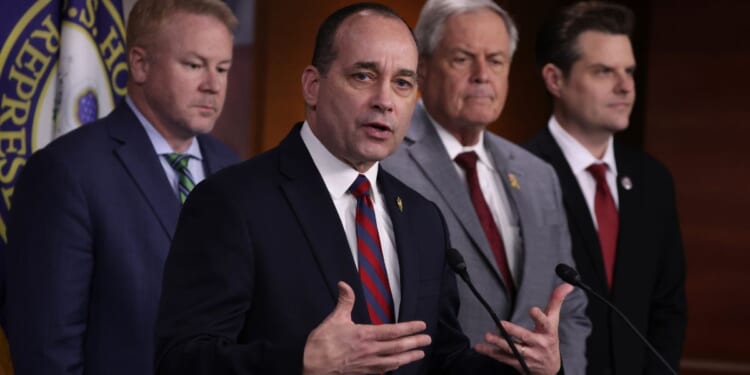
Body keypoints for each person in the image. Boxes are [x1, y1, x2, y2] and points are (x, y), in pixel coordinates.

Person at [155, 3, 573, 375]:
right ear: (313, 86)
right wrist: (301, 360)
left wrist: (527, 369)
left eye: (403, 83)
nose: (384, 100)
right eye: (363, 75)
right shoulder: (232, 202)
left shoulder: (423, 218)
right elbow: (180, 359)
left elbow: (442, 358)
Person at [4, 0, 240, 374]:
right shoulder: (66, 172)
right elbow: (46, 349)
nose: (213, 85)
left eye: (223, 68)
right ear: (140, 64)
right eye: (194, 65)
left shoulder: (234, 169)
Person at [381, 0, 590, 373]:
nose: (482, 75)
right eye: (463, 59)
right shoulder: (384, 161)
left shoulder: (538, 175)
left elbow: (570, 308)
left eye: (495, 61)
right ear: (422, 69)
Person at [525, 2, 687, 374]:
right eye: (604, 71)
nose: (625, 86)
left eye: (629, 71)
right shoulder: (517, 174)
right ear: (555, 79)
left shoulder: (653, 179)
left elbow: (668, 307)